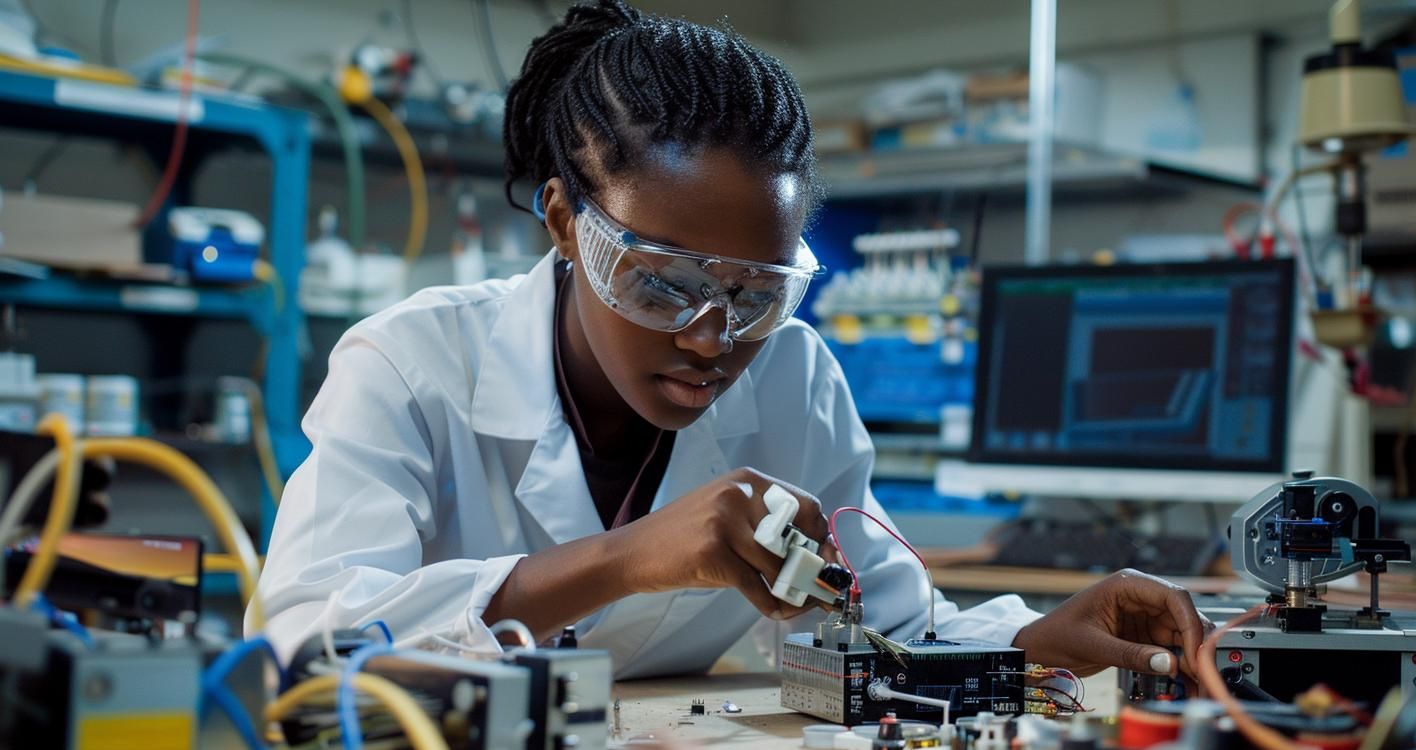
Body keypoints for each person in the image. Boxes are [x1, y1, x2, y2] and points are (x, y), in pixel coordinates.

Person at [249, 0, 1208, 684]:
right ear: (563, 223)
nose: (712, 339)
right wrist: (628, 558)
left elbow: (887, 633)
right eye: (663, 282)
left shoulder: (795, 381)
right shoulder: (413, 365)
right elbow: (301, 641)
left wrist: (1042, 637)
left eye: (756, 296)